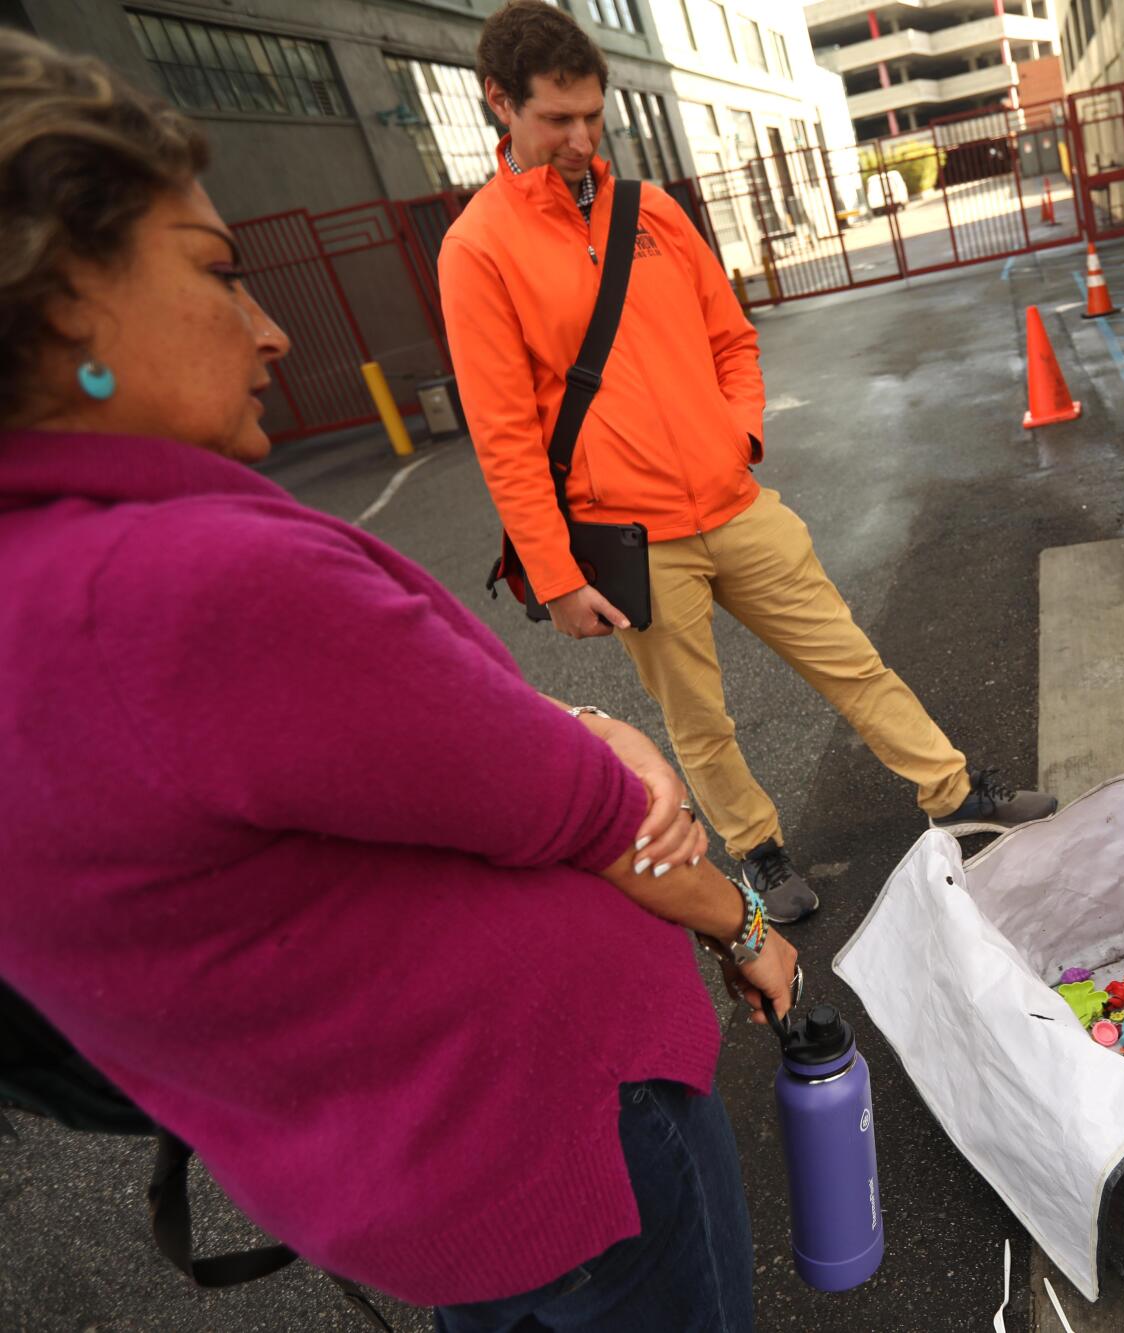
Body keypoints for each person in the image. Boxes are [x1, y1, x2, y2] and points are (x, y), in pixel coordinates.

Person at [0, 33, 793, 1329]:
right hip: (562, 1133)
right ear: (66, 302)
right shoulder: (178, 588)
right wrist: (748, 930)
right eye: (216, 271)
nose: (270, 332)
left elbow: (378, 765)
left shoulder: (51, 586)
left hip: (411, 1183)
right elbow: (576, 805)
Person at [439, 1, 1054, 923]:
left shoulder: (652, 212)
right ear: (500, 104)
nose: (580, 138)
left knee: (851, 659)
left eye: (591, 117)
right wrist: (560, 577)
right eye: (555, 120)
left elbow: (732, 340)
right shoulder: (478, 247)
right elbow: (504, 434)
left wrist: (740, 434)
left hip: (734, 500)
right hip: (634, 535)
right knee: (700, 721)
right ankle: (758, 851)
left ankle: (952, 792)